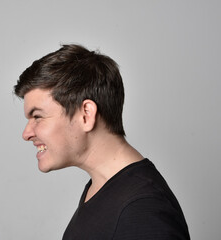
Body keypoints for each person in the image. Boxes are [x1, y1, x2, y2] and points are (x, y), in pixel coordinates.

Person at [14, 44, 190, 239]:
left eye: (37, 116)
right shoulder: (101, 188)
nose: (26, 133)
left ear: (86, 114)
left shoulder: (142, 210)